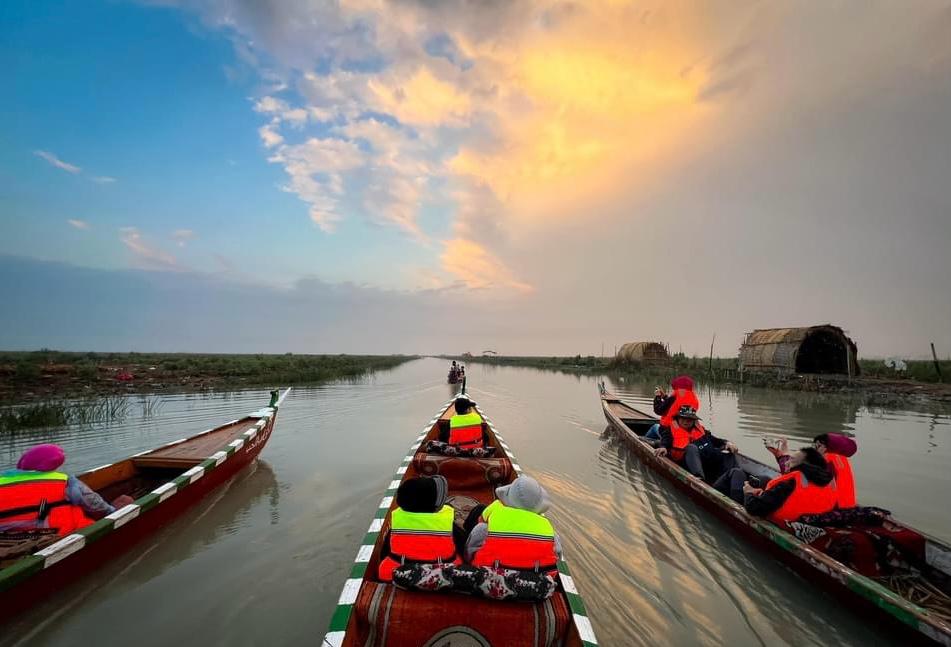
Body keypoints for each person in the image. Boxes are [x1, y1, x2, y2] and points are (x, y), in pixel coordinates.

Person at [0, 444, 134, 536]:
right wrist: (112, 511)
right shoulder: (63, 481)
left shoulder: (3, 480)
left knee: (45, 506)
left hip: (7, 538)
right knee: (125, 500)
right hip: (57, 535)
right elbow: (95, 504)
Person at [466, 475, 561, 573]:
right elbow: (557, 558)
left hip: (488, 581)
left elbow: (469, 554)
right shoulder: (552, 535)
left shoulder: (484, 529)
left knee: (479, 510)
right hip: (535, 585)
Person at [378, 475, 463, 581]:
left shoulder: (396, 527)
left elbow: (384, 554)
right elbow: (463, 548)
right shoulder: (449, 527)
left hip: (400, 577)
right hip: (442, 578)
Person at [743, 447, 837, 525]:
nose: (786, 463)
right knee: (764, 479)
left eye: (791, 460)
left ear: (805, 466)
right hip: (810, 524)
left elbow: (753, 508)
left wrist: (748, 492)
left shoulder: (788, 484)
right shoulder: (826, 481)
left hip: (782, 525)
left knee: (737, 474)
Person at [765, 433, 857, 508]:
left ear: (828, 448)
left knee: (765, 481)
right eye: (815, 445)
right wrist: (782, 455)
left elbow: (792, 473)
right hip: (845, 507)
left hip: (831, 509)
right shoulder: (842, 460)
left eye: (819, 446)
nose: (815, 448)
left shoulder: (825, 461)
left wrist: (781, 455)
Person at [654, 406, 738, 482]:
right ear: (678, 418)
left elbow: (714, 440)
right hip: (687, 465)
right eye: (683, 418)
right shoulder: (670, 431)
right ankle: (699, 479)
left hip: (707, 462)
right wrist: (663, 447)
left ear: (694, 420)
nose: (686, 421)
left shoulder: (701, 431)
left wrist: (726, 442)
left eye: (690, 419)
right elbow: (665, 440)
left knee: (728, 452)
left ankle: (730, 478)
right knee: (691, 447)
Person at [645, 375, 699, 441]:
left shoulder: (673, 397)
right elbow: (674, 405)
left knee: (654, 427)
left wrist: (658, 397)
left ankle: (644, 441)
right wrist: (664, 396)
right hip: (685, 430)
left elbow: (658, 410)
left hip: (668, 431)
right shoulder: (693, 398)